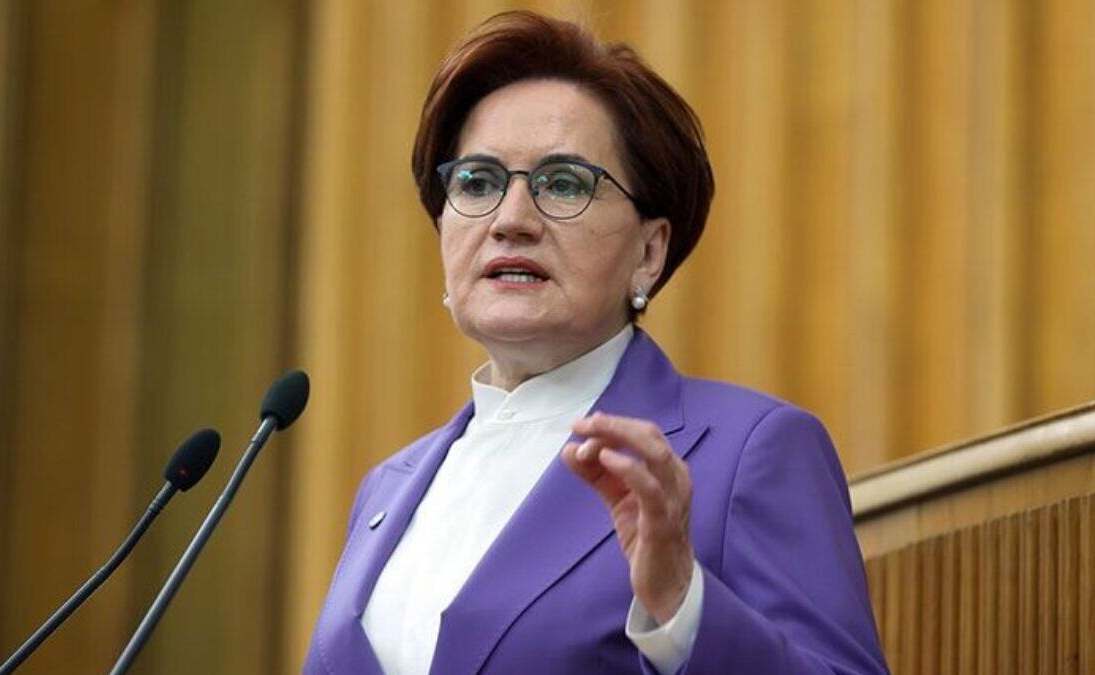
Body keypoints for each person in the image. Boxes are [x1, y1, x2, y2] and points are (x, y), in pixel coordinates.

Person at [306, 11, 887, 675]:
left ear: (649, 252)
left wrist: (683, 607)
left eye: (563, 183)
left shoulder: (748, 452)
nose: (511, 220)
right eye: (477, 182)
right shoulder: (386, 489)